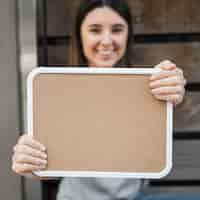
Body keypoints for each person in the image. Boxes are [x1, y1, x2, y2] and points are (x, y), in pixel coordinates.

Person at [12, 0, 198, 200]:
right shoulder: (58, 92)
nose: (107, 41)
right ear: (80, 36)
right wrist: (29, 162)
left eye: (117, 30)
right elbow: (44, 163)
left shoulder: (148, 89)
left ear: (128, 35)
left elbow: (156, 151)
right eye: (95, 30)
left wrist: (173, 93)